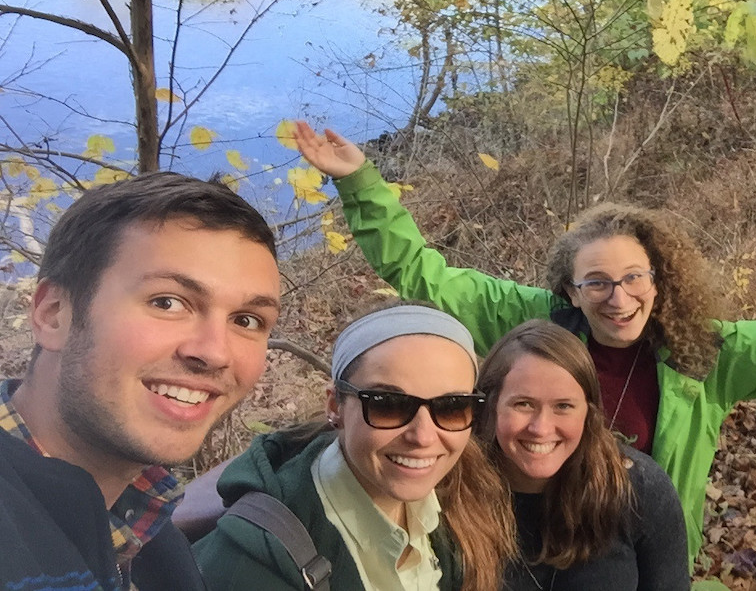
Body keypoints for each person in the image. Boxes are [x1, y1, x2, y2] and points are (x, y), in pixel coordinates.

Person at [294, 121, 756, 564]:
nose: (620, 297)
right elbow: (422, 272)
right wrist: (361, 184)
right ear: (571, 290)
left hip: (637, 543)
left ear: (659, 279)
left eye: (634, 278)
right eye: (598, 283)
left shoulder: (712, 355)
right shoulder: (535, 328)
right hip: (519, 539)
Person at [0, 171, 282, 591]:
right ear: (53, 313)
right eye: (167, 302)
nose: (215, 352)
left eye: (246, 320)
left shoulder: (147, 527)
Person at [192, 302, 516, 591]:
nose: (424, 437)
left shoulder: (461, 497)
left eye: (451, 406)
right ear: (335, 406)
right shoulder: (249, 567)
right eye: (387, 404)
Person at [476, 320, 690, 590]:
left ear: (589, 413)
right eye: (523, 404)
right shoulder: (455, 495)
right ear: (491, 405)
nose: (541, 428)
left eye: (563, 406)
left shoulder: (638, 490)